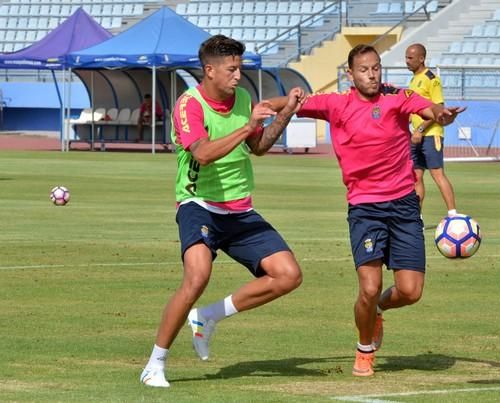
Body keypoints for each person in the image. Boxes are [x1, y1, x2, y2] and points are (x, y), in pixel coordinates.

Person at [279, 44, 465, 376]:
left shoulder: (397, 97)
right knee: (368, 286)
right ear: (351, 74)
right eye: (364, 70)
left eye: (376, 68)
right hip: (365, 208)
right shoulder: (337, 104)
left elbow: (429, 110)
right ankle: (364, 350)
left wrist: (442, 115)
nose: (372, 74)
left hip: (404, 204)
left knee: (411, 291)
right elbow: (296, 103)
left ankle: (378, 310)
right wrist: (271, 105)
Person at [140, 35, 306, 388]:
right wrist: (248, 124)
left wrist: (285, 113)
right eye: (231, 69)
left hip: (240, 209)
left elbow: (257, 147)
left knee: (288, 275)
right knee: (197, 276)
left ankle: (209, 317)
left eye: (239, 68)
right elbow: (201, 153)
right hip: (198, 205)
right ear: (209, 69)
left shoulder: (243, 99)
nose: (237, 75)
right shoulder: (190, 104)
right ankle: (155, 363)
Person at [405, 43, 458, 217]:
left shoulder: (431, 78)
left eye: (410, 58)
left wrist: (420, 128)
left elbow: (439, 107)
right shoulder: (413, 80)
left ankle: (453, 214)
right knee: (416, 177)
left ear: (421, 58)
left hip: (430, 134)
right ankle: (416, 218)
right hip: (416, 136)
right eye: (406, 57)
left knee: (437, 174)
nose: (407, 61)